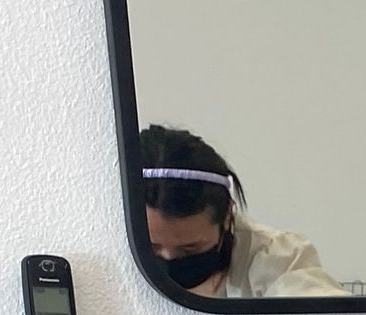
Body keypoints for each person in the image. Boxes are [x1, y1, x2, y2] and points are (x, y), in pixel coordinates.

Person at [138, 125, 344, 298]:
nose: (169, 258)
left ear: (227, 216)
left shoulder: (275, 259)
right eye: (151, 247)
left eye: (190, 249)